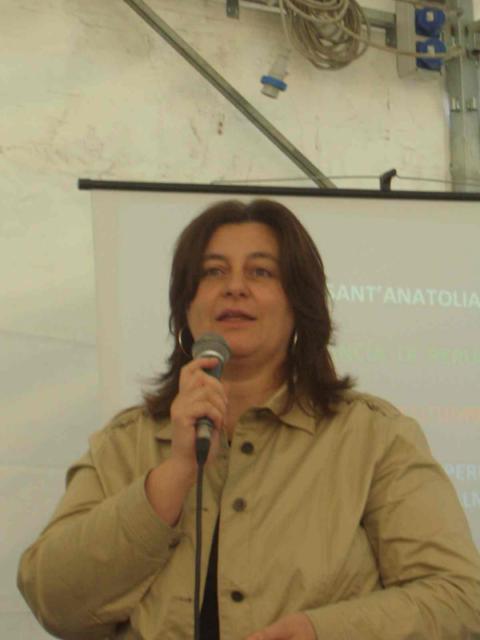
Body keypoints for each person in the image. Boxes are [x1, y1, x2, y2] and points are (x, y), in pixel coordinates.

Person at [18, 198, 480, 640]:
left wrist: (325, 632)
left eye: (261, 272)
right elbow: (52, 600)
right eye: (213, 271)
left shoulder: (373, 437)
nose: (234, 287)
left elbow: (460, 598)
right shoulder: (124, 442)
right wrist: (174, 474)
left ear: (299, 304)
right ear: (185, 307)